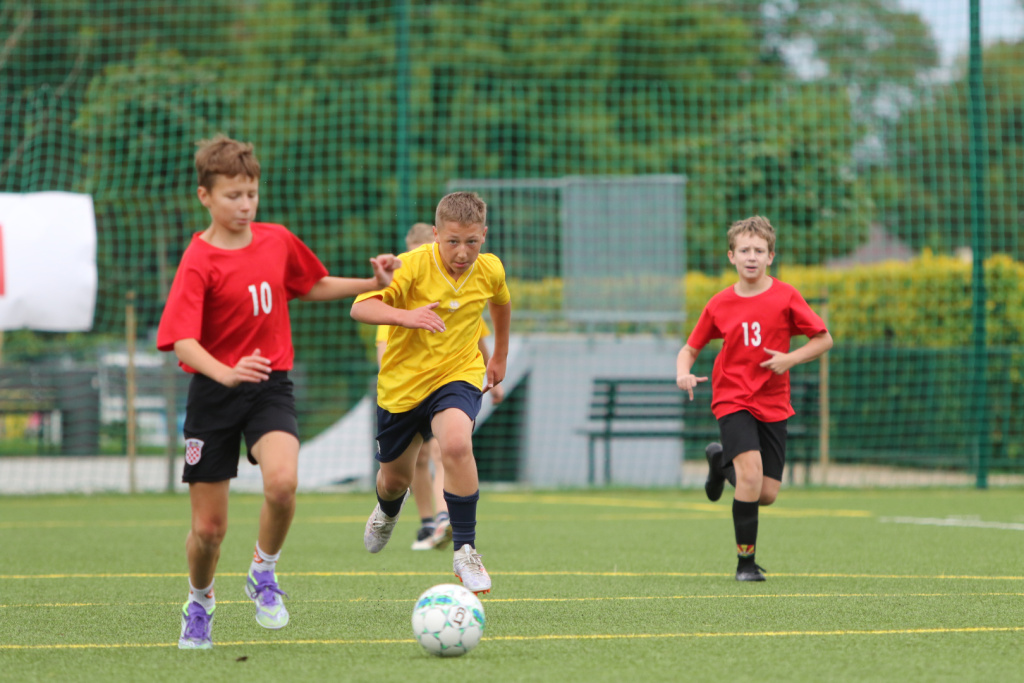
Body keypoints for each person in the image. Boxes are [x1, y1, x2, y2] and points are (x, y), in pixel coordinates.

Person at [157, 134, 400, 650]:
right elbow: (182, 340)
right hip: (214, 394)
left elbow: (310, 284)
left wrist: (372, 283)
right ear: (205, 196)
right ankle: (199, 602)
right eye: (232, 196)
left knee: (284, 484)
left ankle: (263, 571)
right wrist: (226, 372)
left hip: (270, 386)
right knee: (209, 531)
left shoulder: (277, 240)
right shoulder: (198, 259)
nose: (245, 205)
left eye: (251, 193)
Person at [351, 191, 510, 595]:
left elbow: (501, 304)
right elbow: (360, 308)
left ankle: (465, 550)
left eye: (472, 241)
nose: (463, 252)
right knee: (394, 480)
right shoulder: (412, 266)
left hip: (457, 375)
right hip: (402, 387)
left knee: (455, 444)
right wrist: (407, 317)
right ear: (436, 235)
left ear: (484, 235)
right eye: (453, 241)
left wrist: (499, 358)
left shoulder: (489, 269)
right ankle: (388, 510)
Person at [675, 216, 832, 582]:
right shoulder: (719, 304)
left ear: (770, 257)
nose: (751, 257)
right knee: (748, 477)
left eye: (759, 251)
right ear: (731, 256)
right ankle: (745, 564)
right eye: (744, 250)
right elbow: (689, 348)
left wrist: (790, 359)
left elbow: (824, 339)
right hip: (732, 398)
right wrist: (683, 372)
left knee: (766, 493)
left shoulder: (786, 296)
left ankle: (719, 462)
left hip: (773, 402)